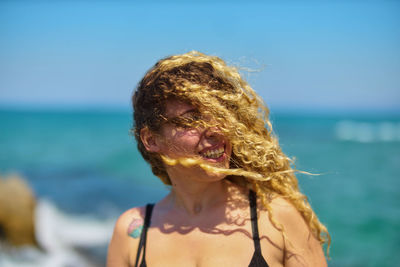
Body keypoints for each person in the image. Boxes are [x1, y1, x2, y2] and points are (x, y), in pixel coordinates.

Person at [107, 51, 330, 267]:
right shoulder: (132, 233)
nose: (216, 129)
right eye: (192, 120)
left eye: (220, 114)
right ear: (151, 139)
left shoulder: (278, 219)